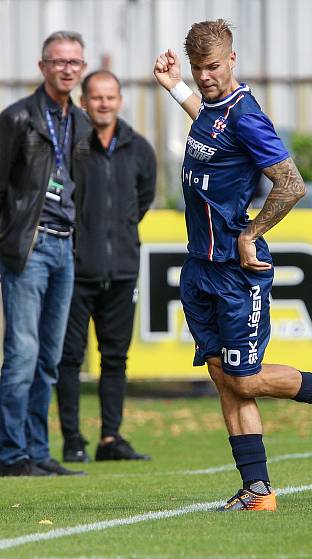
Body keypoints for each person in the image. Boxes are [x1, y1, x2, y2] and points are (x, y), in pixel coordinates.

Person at [153, 19, 312, 511]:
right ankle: (257, 490)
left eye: (213, 67)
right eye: (198, 69)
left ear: (233, 60)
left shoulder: (247, 115)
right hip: (199, 265)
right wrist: (174, 85)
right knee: (223, 375)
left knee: (245, 378)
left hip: (235, 269)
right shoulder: (213, 109)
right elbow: (206, 120)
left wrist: (251, 233)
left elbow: (291, 183)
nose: (205, 76)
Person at [0, 31, 91, 477]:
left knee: (49, 358)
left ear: (83, 67)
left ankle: (37, 451)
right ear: (42, 67)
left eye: (74, 62)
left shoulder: (81, 121)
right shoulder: (17, 118)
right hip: (30, 245)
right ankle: (10, 454)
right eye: (58, 62)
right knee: (21, 353)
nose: (67, 69)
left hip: (65, 245)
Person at [55, 70, 156, 464]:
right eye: (96, 97)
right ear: (83, 101)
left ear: (120, 100)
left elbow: (141, 200)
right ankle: (72, 439)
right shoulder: (70, 146)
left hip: (123, 270)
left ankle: (110, 439)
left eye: (110, 97)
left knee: (115, 358)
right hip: (75, 270)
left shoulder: (140, 149)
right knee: (69, 358)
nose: (103, 103)